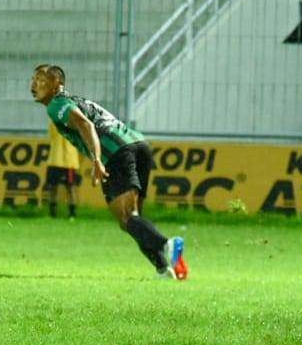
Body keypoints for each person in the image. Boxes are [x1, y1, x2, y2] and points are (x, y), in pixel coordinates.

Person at [30, 64, 188, 280]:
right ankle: (163, 269)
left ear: (57, 85)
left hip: (116, 152)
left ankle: (168, 245)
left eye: (40, 79)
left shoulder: (57, 104)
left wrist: (96, 158)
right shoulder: (75, 100)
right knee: (133, 219)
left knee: (126, 217)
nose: (33, 84)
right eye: (33, 79)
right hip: (138, 144)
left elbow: (85, 125)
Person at [45, 120, 80, 219]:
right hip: (55, 159)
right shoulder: (53, 121)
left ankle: (72, 213)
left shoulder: (73, 122)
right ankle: (52, 213)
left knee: (70, 187)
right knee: (53, 187)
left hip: (69, 160)